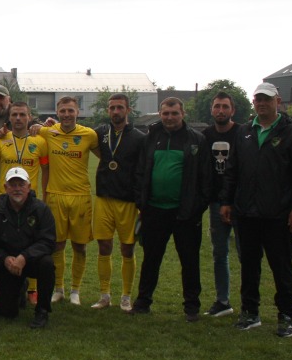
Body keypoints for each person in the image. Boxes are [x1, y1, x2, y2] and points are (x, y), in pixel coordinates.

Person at [221, 83, 292, 337]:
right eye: (257, 99)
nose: (261, 103)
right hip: (246, 213)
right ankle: (250, 313)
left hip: (278, 214)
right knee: (249, 266)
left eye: (266, 99)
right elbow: (233, 171)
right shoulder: (244, 132)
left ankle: (286, 316)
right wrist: (227, 201)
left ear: (278, 101)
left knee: (281, 267)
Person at [130, 98, 210, 321]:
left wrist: (196, 207)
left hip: (185, 212)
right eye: (165, 113)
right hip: (154, 210)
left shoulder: (196, 140)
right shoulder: (151, 138)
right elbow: (140, 172)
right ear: (160, 113)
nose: (169, 117)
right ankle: (143, 302)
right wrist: (141, 201)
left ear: (183, 113)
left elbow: (206, 179)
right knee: (151, 259)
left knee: (189, 260)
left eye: (174, 113)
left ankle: (191, 307)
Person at [34, 96, 99, 305]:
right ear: (57, 112)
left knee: (80, 247)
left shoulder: (89, 134)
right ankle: (59, 288)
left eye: (70, 110)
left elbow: (107, 158)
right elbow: (31, 130)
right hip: (55, 196)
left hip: (81, 197)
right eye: (63, 111)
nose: (67, 114)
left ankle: (75, 291)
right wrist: (36, 125)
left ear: (77, 112)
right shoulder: (48, 132)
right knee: (57, 245)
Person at [92, 94, 144, 311]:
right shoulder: (101, 133)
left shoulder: (140, 137)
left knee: (127, 249)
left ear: (128, 110)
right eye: (112, 108)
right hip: (103, 198)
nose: (115, 111)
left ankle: (126, 295)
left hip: (128, 201)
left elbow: (142, 170)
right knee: (104, 246)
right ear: (108, 110)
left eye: (119, 108)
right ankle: (105, 295)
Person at [0, 167, 56, 328]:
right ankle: (20, 287)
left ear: (29, 186)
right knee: (6, 313)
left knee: (47, 263)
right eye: (13, 185)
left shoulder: (41, 209)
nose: (17, 188)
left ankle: (42, 311)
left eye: (21, 184)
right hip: (9, 264)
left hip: (32, 261)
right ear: (5, 188)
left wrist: (24, 257)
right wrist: (4, 259)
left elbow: (48, 241)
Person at [202, 91, 241, 317]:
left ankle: (249, 303)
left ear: (232, 110)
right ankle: (223, 301)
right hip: (216, 203)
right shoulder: (206, 135)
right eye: (217, 106)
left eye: (225, 107)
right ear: (211, 110)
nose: (221, 111)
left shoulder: (243, 134)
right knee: (220, 253)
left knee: (247, 254)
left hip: (241, 203)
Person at [0, 101, 48, 212]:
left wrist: (44, 197)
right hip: (4, 198)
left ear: (29, 117)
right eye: (14, 115)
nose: (18, 118)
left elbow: (45, 171)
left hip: (30, 198)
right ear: (9, 118)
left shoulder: (41, 142)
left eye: (22, 114)